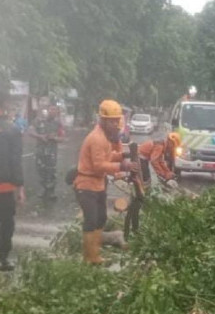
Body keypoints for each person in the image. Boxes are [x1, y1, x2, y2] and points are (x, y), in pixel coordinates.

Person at [73, 99, 135, 264]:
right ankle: (89, 257)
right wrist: (122, 165)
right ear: (103, 119)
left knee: (101, 219)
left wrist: (123, 155)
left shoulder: (105, 137)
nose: (115, 124)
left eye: (117, 120)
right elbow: (99, 165)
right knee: (91, 220)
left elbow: (108, 156)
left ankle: (96, 254)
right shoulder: (97, 138)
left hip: (98, 184)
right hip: (86, 185)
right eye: (112, 121)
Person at [0, 88, 25, 271]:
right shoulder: (12, 129)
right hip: (4, 187)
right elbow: (15, 160)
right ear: (4, 103)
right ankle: (1, 259)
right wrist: (20, 188)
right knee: (6, 223)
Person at [28, 108, 65, 200]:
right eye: (51, 110)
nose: (53, 112)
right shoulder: (38, 120)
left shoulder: (58, 123)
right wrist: (40, 136)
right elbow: (30, 131)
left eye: (55, 111)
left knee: (51, 171)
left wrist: (54, 138)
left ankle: (51, 191)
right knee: (41, 170)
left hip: (52, 152)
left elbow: (62, 137)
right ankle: (44, 189)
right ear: (48, 111)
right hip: (40, 151)